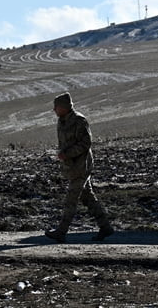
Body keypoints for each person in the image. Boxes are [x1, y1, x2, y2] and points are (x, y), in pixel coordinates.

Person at [46, 92, 113, 242]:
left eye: (56, 107)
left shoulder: (79, 121)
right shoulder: (62, 121)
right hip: (72, 166)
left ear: (64, 107)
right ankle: (105, 227)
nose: (54, 110)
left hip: (81, 166)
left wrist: (67, 154)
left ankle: (61, 231)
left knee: (71, 199)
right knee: (87, 197)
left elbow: (85, 143)